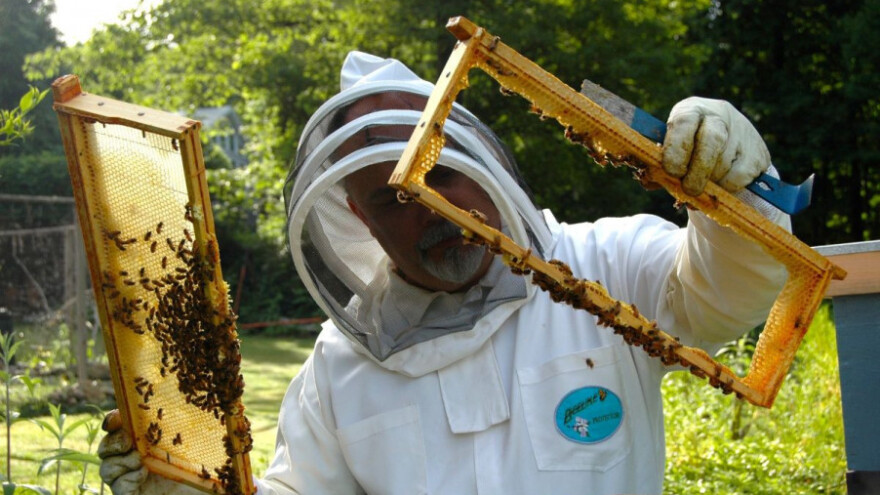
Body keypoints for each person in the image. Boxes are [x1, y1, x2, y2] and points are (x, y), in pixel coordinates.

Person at [98, 51, 789, 494]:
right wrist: (192, 488)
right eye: (392, 199)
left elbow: (728, 292)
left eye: (442, 174)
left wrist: (737, 191)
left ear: (479, 157)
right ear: (359, 219)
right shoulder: (340, 370)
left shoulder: (604, 266)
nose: (433, 207)